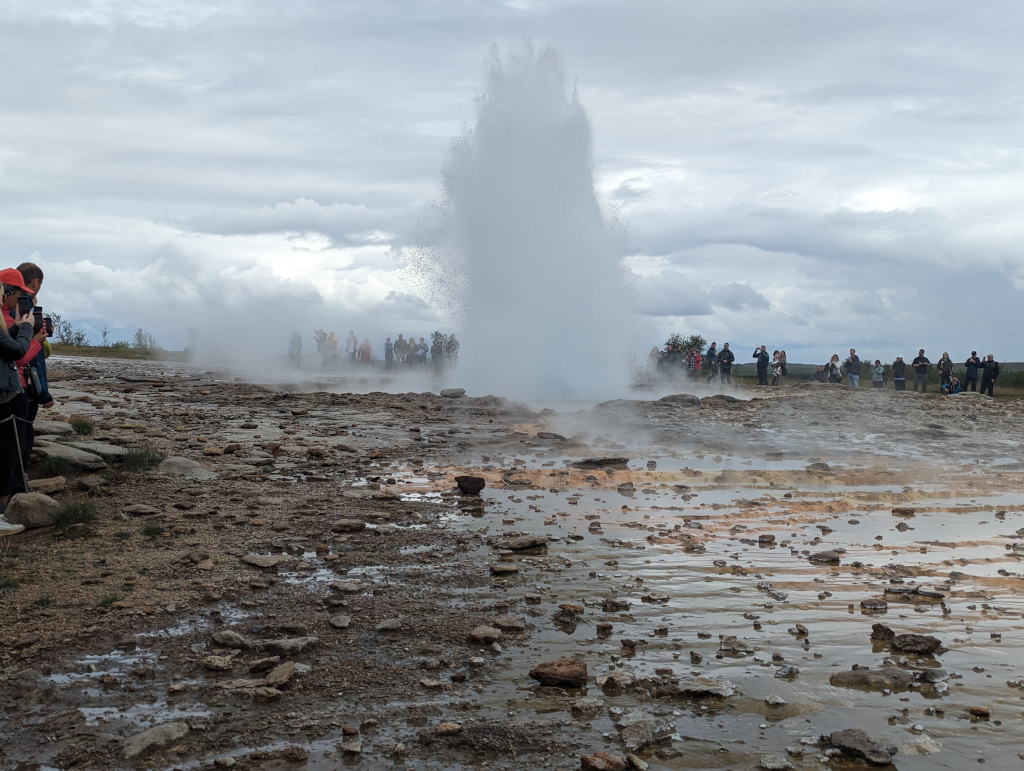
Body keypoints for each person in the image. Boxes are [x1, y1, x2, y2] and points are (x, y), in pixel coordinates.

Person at [0, 269, 39, 535]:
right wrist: (27, 329)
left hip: (9, 391)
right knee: (6, 454)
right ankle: (2, 513)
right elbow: (15, 352)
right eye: (18, 295)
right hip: (7, 393)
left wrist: (17, 327)